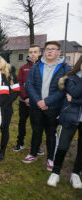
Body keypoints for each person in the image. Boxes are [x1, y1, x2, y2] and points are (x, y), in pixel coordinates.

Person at [22, 41, 71, 171]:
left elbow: (64, 89)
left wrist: (47, 102)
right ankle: (33, 154)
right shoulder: (37, 66)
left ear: (59, 52)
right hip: (36, 106)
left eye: (53, 49)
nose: (49, 51)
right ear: (44, 52)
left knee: (51, 133)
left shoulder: (65, 68)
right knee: (36, 131)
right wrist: (38, 101)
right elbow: (29, 85)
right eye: (48, 49)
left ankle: (51, 158)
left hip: (53, 107)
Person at [47, 56, 82, 189]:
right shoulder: (70, 78)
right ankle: (55, 172)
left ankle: (76, 173)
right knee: (63, 146)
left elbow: (74, 96)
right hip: (70, 116)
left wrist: (74, 100)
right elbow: (74, 92)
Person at [14, 44, 42, 152]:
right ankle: (19, 143)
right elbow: (19, 84)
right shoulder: (23, 68)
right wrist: (25, 97)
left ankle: (36, 147)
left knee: (36, 125)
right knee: (22, 123)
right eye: (31, 52)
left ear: (40, 53)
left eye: (35, 52)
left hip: (38, 102)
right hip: (24, 101)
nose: (33, 54)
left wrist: (36, 99)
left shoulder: (43, 67)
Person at [0, 54, 20, 161]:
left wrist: (7, 102)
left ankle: (2, 151)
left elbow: (16, 91)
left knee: (4, 129)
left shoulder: (11, 75)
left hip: (6, 108)